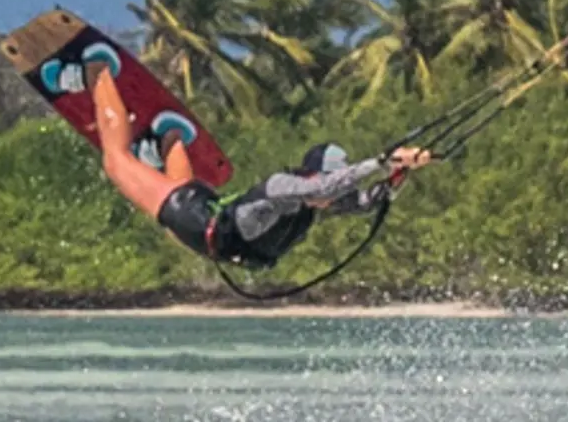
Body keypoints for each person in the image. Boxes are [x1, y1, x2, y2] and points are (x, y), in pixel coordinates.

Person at [86, 63, 429, 268]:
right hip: (197, 219)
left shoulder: (321, 201)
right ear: (311, 174)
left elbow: (369, 202)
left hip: (207, 229)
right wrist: (384, 161)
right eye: (332, 182)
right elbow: (324, 187)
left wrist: (404, 172)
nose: (336, 195)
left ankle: (169, 139)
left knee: (175, 200)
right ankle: (97, 73)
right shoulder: (286, 188)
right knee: (116, 162)